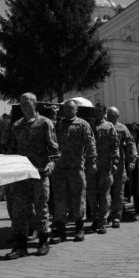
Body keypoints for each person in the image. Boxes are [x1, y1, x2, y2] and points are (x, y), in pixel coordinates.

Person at [5, 93, 60, 259]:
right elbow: (12, 150)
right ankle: (20, 246)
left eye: (26, 102)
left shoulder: (45, 123)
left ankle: (43, 242)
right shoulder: (17, 125)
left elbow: (54, 150)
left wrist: (51, 165)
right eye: (20, 103)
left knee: (41, 208)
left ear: (34, 104)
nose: (23, 105)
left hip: (39, 173)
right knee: (19, 210)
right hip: (21, 175)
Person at [50, 100, 97, 243]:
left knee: (78, 199)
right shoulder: (58, 124)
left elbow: (90, 143)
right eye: (66, 109)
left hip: (76, 168)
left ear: (76, 110)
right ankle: (61, 232)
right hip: (59, 169)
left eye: (71, 109)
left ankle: (79, 230)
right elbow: (50, 138)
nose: (68, 111)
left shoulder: (83, 124)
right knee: (59, 200)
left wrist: (92, 162)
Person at [86, 105, 119, 234]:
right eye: (95, 111)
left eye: (99, 111)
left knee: (104, 195)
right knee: (92, 194)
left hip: (106, 166)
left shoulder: (109, 126)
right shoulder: (89, 126)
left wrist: (115, 162)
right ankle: (95, 218)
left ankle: (103, 222)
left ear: (104, 113)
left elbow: (115, 145)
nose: (97, 114)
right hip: (92, 166)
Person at [106, 107, 137, 228]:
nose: (109, 116)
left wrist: (132, 160)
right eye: (108, 114)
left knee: (118, 192)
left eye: (112, 115)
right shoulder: (102, 127)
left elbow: (130, 144)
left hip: (119, 165)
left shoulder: (122, 128)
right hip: (105, 165)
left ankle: (116, 217)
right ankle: (106, 215)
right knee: (105, 192)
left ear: (117, 116)